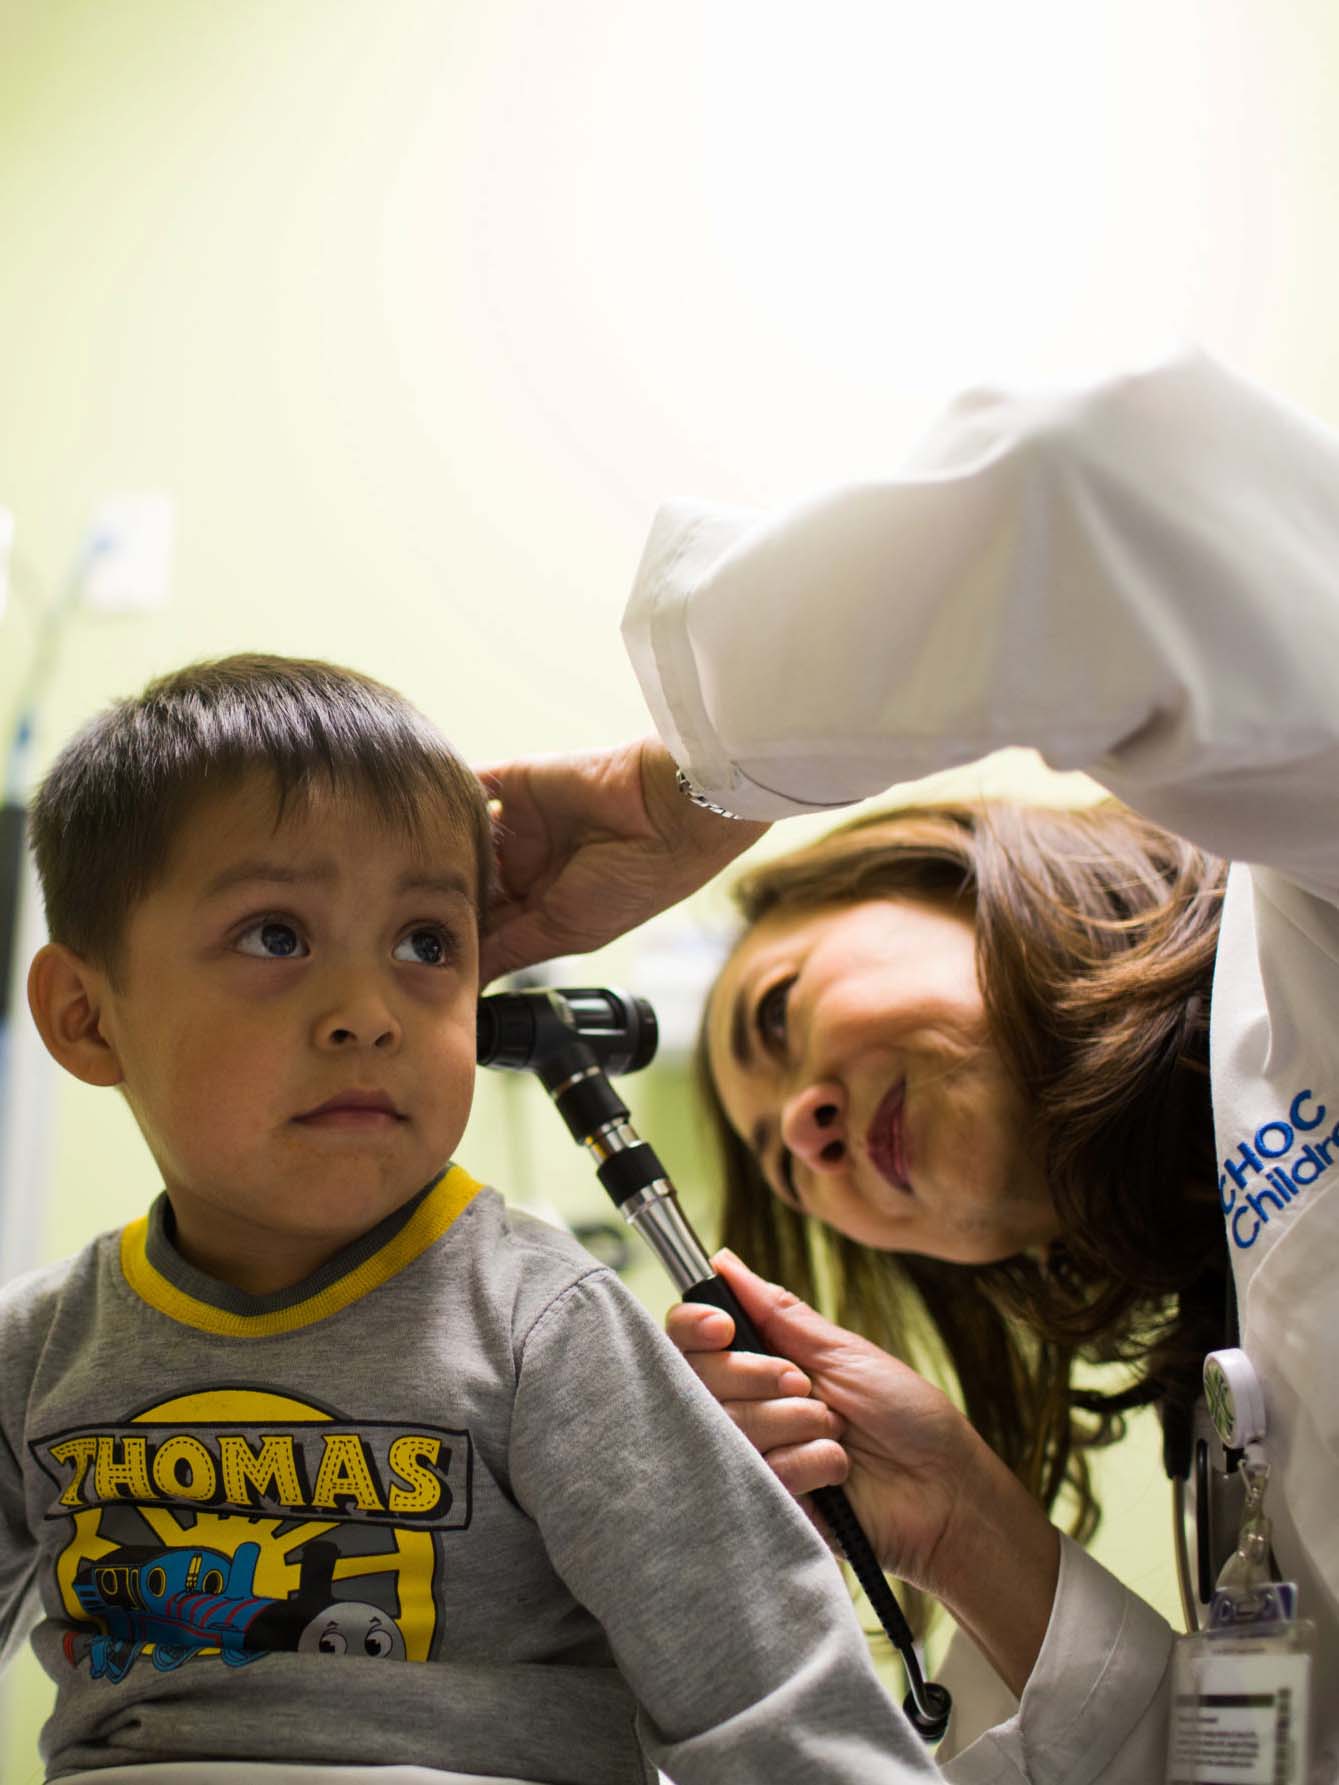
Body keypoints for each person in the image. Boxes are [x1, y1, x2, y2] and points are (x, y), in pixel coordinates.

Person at [480, 347, 1339, 1783]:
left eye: (778, 1020)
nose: (803, 1134)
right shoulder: (1230, 1389)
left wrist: (683, 784)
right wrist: (956, 1520)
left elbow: (1094, 490)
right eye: (777, 1163)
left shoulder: (1305, 890)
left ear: (944, 878)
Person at [0, 654, 940, 1785]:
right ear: (84, 1017)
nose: (367, 1014)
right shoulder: (40, 1351)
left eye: (426, 944)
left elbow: (772, 1695)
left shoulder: (547, 1330)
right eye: (275, 936)